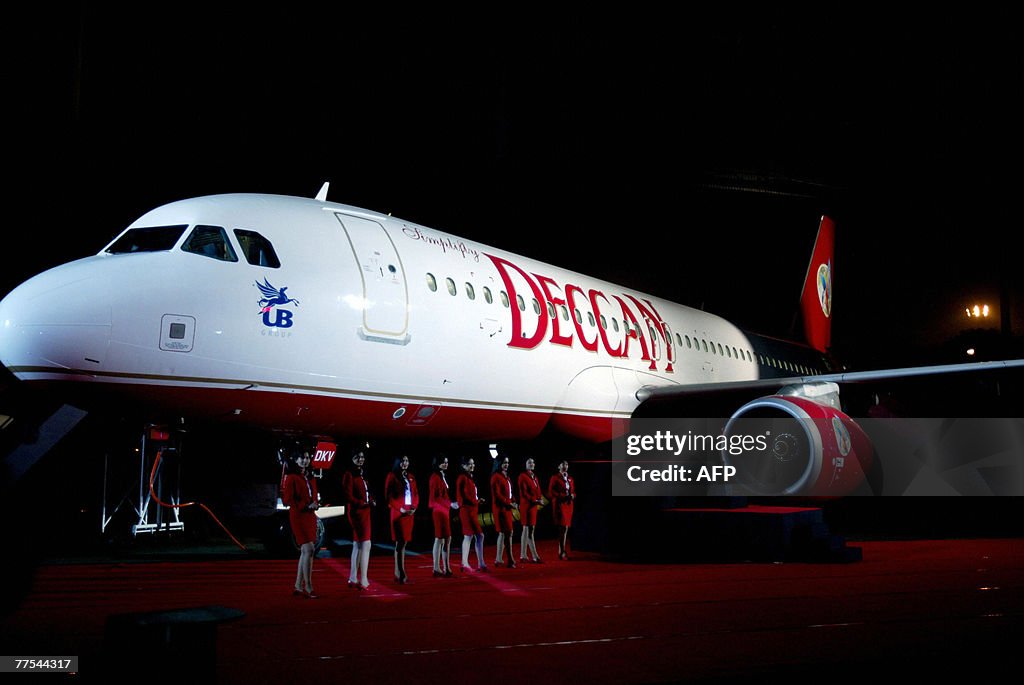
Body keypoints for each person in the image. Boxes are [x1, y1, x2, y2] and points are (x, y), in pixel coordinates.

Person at [280, 450, 320, 598]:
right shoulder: (291, 477)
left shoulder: (310, 476)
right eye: (302, 457)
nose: (305, 460)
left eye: (307, 457)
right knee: (309, 549)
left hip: (310, 516)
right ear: (295, 460)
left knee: (306, 551)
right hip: (298, 515)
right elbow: (287, 500)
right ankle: (308, 586)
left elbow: (314, 494)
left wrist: (315, 503)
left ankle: (298, 585)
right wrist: (305, 505)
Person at [341, 447, 374, 589]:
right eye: (357, 457)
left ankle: (353, 577)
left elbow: (366, 492)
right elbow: (348, 495)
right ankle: (363, 578)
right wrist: (362, 503)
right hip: (357, 512)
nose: (360, 459)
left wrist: (370, 500)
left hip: (364, 511)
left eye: (362, 457)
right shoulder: (349, 474)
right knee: (365, 544)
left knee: (359, 545)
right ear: (352, 459)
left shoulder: (362, 474)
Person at [385, 455, 418, 584]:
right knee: (400, 542)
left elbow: (416, 493)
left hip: (409, 512)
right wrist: (400, 508)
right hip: (398, 513)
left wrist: (414, 506)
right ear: (398, 462)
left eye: (407, 461)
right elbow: (389, 496)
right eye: (402, 461)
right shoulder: (392, 476)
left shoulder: (410, 476)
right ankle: (401, 572)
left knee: (403, 543)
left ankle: (398, 572)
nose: (405, 463)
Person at [456, 456, 487, 572]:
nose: (472, 465)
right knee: (469, 536)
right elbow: (463, 495)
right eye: (469, 464)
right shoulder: (462, 478)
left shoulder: (469, 477)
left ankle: (480, 563)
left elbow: (470, 495)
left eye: (473, 463)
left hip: (472, 510)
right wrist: (476, 501)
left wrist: (477, 501)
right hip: (466, 511)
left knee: (478, 536)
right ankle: (465, 562)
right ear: (463, 466)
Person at [429, 455, 458, 577]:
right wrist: (450, 504)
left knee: (447, 538)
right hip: (438, 510)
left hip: (444, 510)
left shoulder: (442, 476)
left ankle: (446, 567)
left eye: (446, 462)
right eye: (443, 462)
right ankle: (437, 567)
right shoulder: (435, 477)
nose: (446, 464)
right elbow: (435, 497)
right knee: (440, 538)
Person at [490, 455, 518, 568]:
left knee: (504, 533)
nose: (506, 464)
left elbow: (510, 492)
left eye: (507, 462)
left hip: (507, 508)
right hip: (501, 509)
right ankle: (510, 559)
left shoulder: (506, 476)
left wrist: (514, 501)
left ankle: (498, 559)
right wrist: (509, 503)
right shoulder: (495, 477)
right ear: (499, 463)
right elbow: (497, 495)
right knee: (507, 533)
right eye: (504, 462)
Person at [517, 457, 544, 563]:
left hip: (533, 506)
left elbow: (538, 490)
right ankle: (533, 555)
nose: (532, 464)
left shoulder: (534, 476)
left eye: (533, 462)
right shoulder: (522, 476)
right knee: (527, 529)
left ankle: (523, 555)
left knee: (529, 529)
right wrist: (536, 500)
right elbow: (524, 493)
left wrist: (539, 498)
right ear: (525, 464)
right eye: (529, 462)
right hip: (527, 506)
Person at [548, 460, 576, 560]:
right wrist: (563, 496)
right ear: (558, 466)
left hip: (569, 505)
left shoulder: (570, 478)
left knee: (566, 528)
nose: (565, 466)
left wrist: (573, 495)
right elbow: (551, 492)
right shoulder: (555, 478)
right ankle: (562, 551)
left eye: (567, 464)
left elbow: (573, 491)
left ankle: (561, 550)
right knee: (562, 528)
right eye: (563, 464)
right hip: (560, 505)